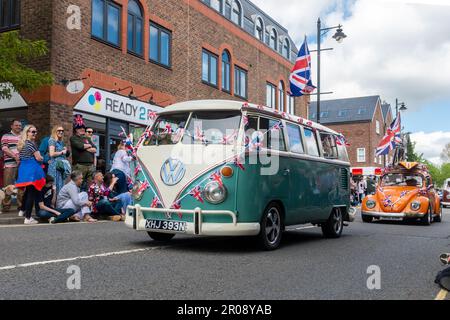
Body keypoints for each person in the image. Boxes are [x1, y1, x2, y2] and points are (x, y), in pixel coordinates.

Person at [15, 125, 46, 225]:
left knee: (27, 191)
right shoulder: (31, 144)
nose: (35, 134)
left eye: (35, 132)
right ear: (27, 132)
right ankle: (28, 218)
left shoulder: (22, 143)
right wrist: (43, 157)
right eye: (33, 132)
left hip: (24, 169)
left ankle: (22, 210)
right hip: (32, 169)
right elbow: (39, 158)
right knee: (31, 193)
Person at [1, 119, 24, 215]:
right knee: (8, 186)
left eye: (20, 125)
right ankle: (6, 206)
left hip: (22, 165)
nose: (18, 127)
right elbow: (4, 148)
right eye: (16, 125)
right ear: (12, 126)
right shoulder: (6, 136)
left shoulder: (23, 136)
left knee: (21, 186)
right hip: (10, 164)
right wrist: (15, 157)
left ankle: (21, 206)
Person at [70, 115, 97, 191]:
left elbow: (95, 149)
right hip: (79, 165)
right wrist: (88, 146)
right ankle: (77, 201)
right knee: (78, 185)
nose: (82, 129)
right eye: (80, 128)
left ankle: (87, 200)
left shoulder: (87, 138)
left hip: (90, 165)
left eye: (83, 128)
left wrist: (86, 147)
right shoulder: (73, 138)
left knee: (89, 187)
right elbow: (80, 146)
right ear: (76, 129)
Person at [47, 125, 70, 197]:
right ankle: (52, 204)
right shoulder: (52, 140)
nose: (61, 132)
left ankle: (58, 204)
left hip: (60, 167)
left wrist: (65, 150)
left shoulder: (60, 142)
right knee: (54, 185)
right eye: (59, 130)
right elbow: (51, 153)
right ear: (55, 131)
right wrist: (62, 152)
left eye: (62, 131)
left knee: (60, 185)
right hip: (54, 167)